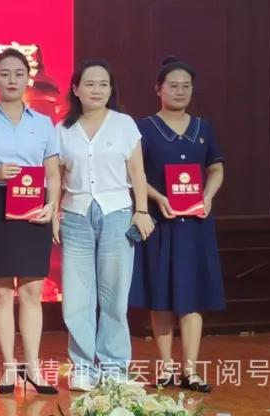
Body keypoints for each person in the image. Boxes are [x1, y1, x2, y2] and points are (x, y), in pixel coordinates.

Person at [129, 56, 225, 393]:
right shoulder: (143, 128)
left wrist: (208, 196)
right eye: (173, 85)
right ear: (158, 89)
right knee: (162, 295)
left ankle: (191, 370)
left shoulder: (203, 128)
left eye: (186, 86)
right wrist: (158, 198)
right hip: (160, 223)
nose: (180, 91)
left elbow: (216, 168)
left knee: (193, 295)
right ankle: (167, 367)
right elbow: (135, 174)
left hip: (196, 225)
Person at [56, 60, 153, 391]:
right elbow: (56, 176)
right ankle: (83, 366)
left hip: (117, 214)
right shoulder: (62, 129)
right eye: (89, 83)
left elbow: (137, 172)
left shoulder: (124, 125)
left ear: (111, 90)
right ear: (75, 89)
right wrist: (53, 213)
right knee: (76, 297)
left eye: (103, 84)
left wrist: (142, 210)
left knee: (114, 295)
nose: (96, 90)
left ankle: (113, 366)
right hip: (75, 216)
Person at [0, 48, 61, 395]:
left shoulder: (43, 123)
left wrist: (52, 205)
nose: (12, 80)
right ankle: (9, 366)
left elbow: (52, 172)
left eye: (19, 74)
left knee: (32, 291)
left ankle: (33, 366)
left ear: (28, 79)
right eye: (5, 73)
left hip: (33, 206)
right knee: (1, 293)